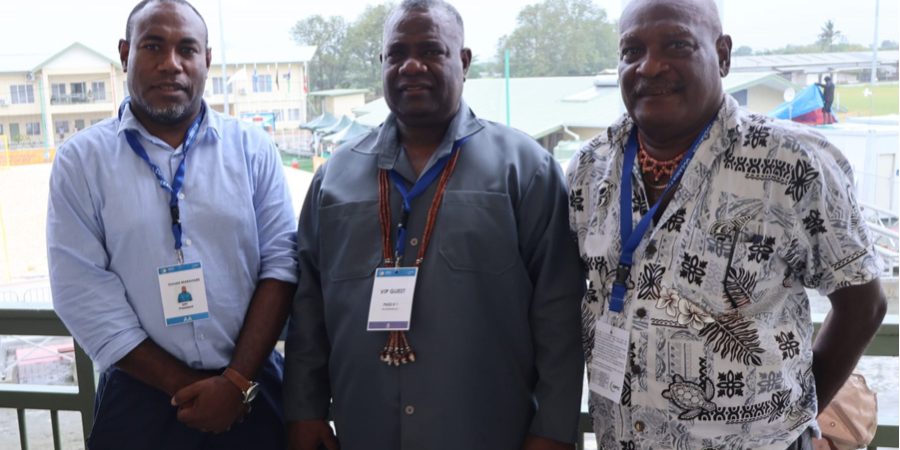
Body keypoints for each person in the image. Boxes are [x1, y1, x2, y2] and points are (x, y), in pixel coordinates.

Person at [566, 0, 887, 449]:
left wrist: (792, 417)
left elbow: (863, 305)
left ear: (723, 55)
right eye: (632, 50)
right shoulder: (589, 168)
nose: (650, 66)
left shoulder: (794, 164)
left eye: (677, 45)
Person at [283, 1, 585, 449]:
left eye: (430, 50)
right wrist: (304, 410)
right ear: (382, 63)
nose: (411, 66)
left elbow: (558, 312)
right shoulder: (335, 178)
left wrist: (553, 429)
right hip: (366, 431)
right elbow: (307, 306)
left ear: (463, 61)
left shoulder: (526, 170)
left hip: (487, 433)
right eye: (396, 53)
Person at [46, 1, 297, 449]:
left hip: (250, 390)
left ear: (207, 60)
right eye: (153, 46)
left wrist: (234, 383)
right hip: (140, 398)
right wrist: (189, 387)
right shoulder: (81, 161)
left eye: (187, 49)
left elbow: (281, 265)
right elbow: (79, 290)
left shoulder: (252, 149)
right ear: (125, 54)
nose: (171, 64)